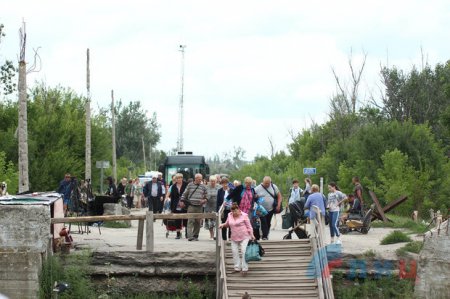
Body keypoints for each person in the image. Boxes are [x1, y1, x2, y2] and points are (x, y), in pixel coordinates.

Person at [219, 203, 255, 276]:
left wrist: (252, 235)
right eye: (233, 211)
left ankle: (245, 269)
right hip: (234, 237)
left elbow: (249, 226)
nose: (234, 213)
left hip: (244, 236)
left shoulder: (244, 215)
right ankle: (237, 267)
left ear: (239, 210)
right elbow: (227, 223)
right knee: (234, 252)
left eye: (236, 211)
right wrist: (222, 225)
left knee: (244, 251)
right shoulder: (229, 215)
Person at [180, 173, 207, 241]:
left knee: (198, 222)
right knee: (190, 221)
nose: (200, 180)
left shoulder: (203, 186)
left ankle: (195, 235)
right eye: (199, 179)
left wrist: (205, 200)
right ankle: (190, 236)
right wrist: (182, 201)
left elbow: (207, 195)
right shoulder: (190, 185)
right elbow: (184, 194)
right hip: (191, 206)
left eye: (201, 179)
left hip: (199, 206)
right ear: (195, 178)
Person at [167, 173, 188, 239]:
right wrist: (171, 208)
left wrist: (185, 202)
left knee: (186, 219)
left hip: (184, 204)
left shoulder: (186, 185)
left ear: (182, 178)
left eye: (180, 178)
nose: (179, 179)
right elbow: (172, 197)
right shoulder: (173, 186)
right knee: (177, 219)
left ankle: (187, 233)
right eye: (177, 178)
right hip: (176, 205)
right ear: (175, 179)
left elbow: (188, 195)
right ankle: (178, 234)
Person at [205, 176, 220, 240]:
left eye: (214, 181)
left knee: (216, 221)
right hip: (209, 205)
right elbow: (204, 195)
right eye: (211, 181)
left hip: (216, 205)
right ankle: (211, 235)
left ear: (216, 181)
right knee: (210, 221)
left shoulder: (219, 187)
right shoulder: (206, 187)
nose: (213, 182)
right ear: (209, 181)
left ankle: (217, 235)